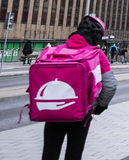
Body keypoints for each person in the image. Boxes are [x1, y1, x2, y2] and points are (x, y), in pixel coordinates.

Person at [42, 15, 117, 160]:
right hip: (81, 112)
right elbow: (110, 85)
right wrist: (100, 106)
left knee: (49, 153)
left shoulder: (55, 51)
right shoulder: (96, 54)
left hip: (53, 111)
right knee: (74, 154)